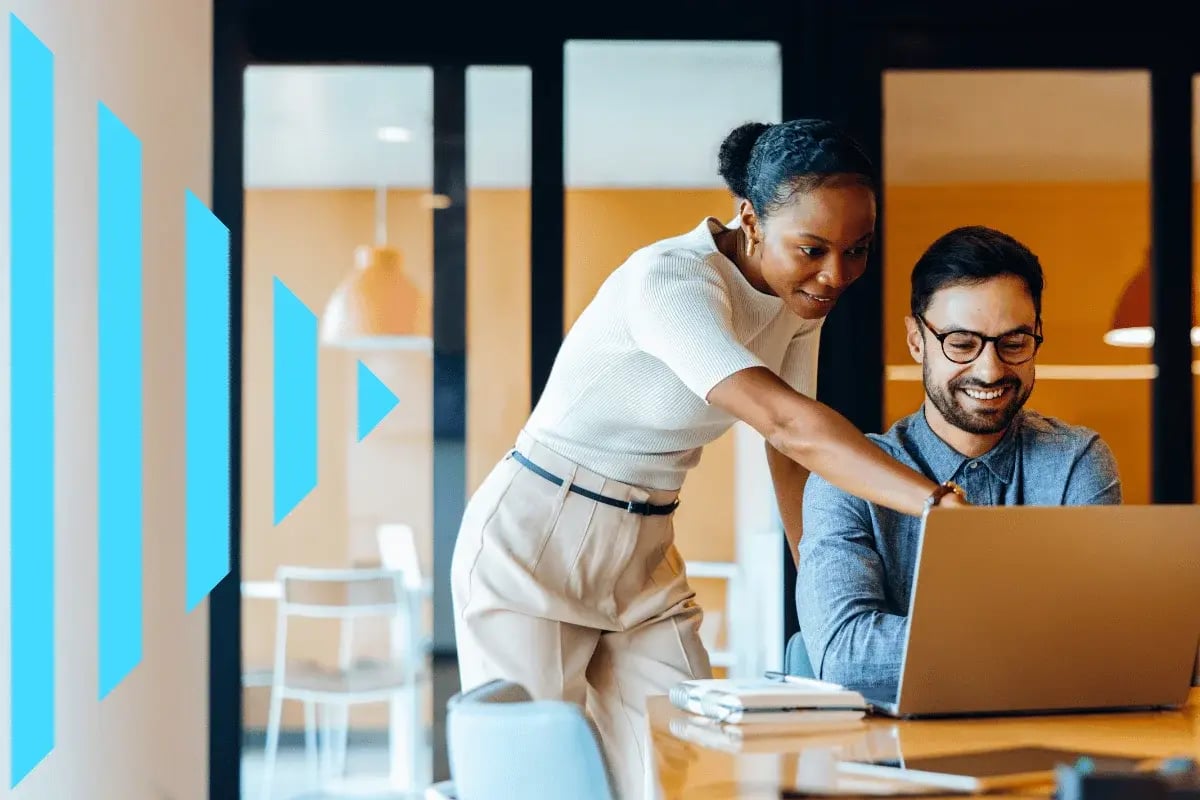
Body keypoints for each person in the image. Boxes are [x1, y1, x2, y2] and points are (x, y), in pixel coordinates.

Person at [450, 118, 969, 799]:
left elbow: (791, 458)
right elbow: (786, 423)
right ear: (750, 220)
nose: (835, 274)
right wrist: (934, 501)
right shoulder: (670, 281)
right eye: (812, 248)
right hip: (536, 535)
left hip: (645, 547)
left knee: (690, 766)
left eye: (858, 250)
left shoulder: (799, 302)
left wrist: (818, 588)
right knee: (538, 782)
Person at [796, 225, 1122, 702]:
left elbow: (1113, 643)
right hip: (894, 767)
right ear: (916, 341)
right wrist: (1044, 642)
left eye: (1013, 343)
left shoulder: (1076, 461)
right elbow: (845, 656)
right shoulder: (847, 478)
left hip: (1053, 754)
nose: (990, 371)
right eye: (962, 343)